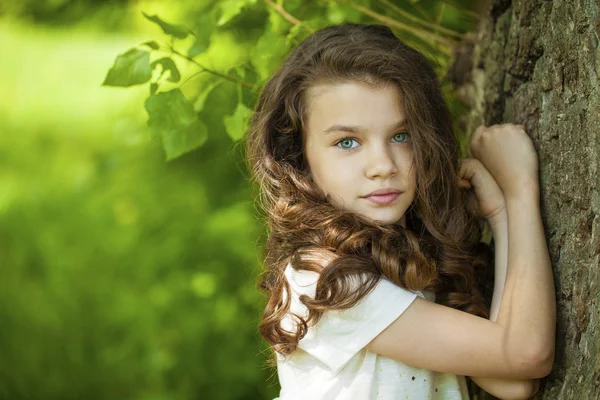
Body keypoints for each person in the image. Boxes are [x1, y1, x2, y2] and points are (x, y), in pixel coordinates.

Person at [245, 23, 555, 400]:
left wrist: (502, 214)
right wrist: (521, 190)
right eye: (347, 142)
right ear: (299, 158)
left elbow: (512, 380)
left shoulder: (402, 264)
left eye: (401, 136)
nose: (383, 165)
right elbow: (524, 355)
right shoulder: (325, 279)